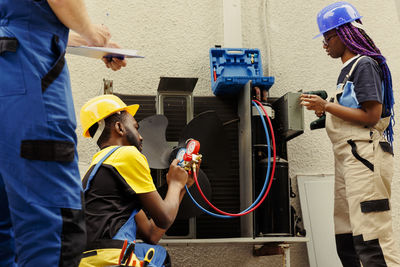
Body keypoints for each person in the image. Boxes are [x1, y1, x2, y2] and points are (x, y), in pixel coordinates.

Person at [0, 1, 126, 266]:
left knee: (5, 230)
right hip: (30, 87)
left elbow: (23, 21)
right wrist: (92, 32)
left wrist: (90, 44)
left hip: (9, 76)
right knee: (53, 230)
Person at [300, 2, 400, 266]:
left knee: (371, 236)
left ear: (345, 33)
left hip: (365, 157)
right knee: (346, 237)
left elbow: (371, 116)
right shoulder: (348, 70)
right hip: (349, 158)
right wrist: (329, 111)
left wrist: (328, 106)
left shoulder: (364, 65)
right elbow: (354, 110)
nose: (324, 44)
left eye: (328, 37)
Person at [79, 94, 196, 267]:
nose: (141, 137)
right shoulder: (127, 155)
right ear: (119, 127)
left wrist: (182, 186)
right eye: (136, 127)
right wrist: (175, 183)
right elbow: (164, 218)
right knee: (159, 257)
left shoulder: (98, 169)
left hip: (86, 261)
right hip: (113, 258)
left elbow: (151, 234)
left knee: (156, 253)